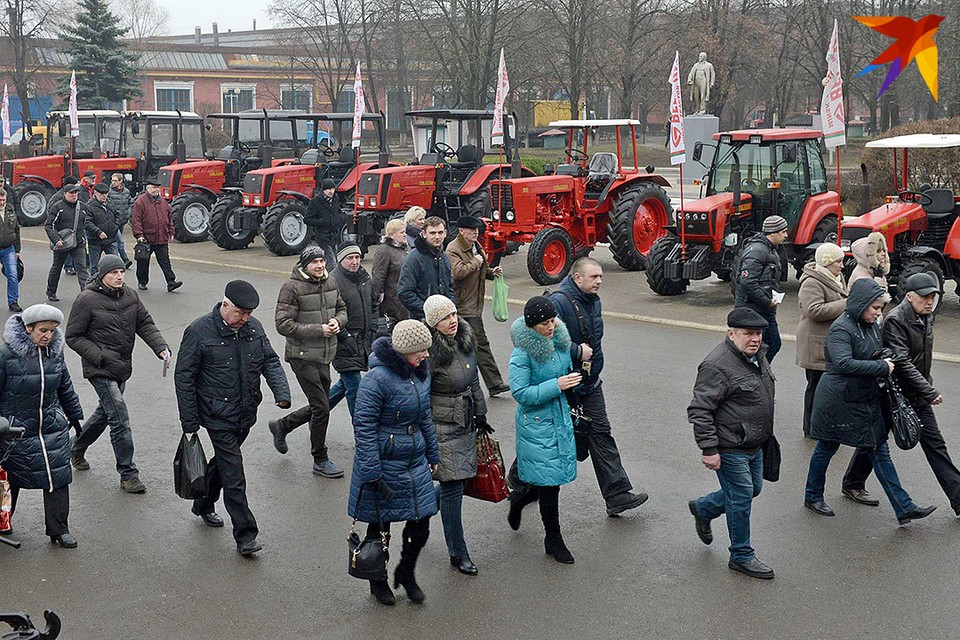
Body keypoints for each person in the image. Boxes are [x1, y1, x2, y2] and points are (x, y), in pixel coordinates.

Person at [512, 257, 647, 516]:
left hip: (589, 383)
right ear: (577, 277)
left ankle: (617, 494)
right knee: (549, 439)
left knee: (600, 431)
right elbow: (542, 339)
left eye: (600, 277)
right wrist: (576, 352)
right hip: (567, 384)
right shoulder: (558, 302)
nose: (599, 281)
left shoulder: (592, 301)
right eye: (594, 276)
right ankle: (519, 479)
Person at [803, 278, 936, 525]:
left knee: (878, 448)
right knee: (826, 448)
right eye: (875, 307)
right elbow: (842, 363)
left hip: (863, 398)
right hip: (837, 400)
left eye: (881, 308)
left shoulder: (872, 325)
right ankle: (812, 496)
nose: (879, 312)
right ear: (860, 304)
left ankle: (903, 507)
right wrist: (881, 365)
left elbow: (876, 350)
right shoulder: (842, 327)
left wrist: (885, 356)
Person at [175, 281, 291, 556]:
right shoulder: (199, 331)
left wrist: (281, 392)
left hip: (245, 412)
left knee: (223, 463)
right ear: (224, 305)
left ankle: (202, 504)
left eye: (249, 313)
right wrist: (189, 422)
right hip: (216, 414)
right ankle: (246, 535)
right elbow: (184, 377)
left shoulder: (254, 329)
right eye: (240, 312)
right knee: (234, 473)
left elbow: (270, 361)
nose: (245, 318)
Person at [841, 272, 960, 514]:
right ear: (909, 297)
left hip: (916, 392)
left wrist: (924, 386)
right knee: (874, 440)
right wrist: (928, 390)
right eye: (925, 297)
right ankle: (852, 483)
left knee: (935, 445)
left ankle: (958, 499)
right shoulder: (896, 319)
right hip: (895, 395)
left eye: (933, 297)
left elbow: (921, 358)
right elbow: (902, 361)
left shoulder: (925, 317)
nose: (930, 302)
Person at [348, 320, 439, 606]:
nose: (426, 355)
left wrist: (433, 454)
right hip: (384, 463)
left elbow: (425, 416)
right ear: (404, 351)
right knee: (380, 529)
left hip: (413, 460)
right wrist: (372, 473)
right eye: (421, 350)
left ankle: (406, 572)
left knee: (421, 522)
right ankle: (378, 581)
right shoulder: (376, 380)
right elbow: (363, 427)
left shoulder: (421, 374)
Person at [66, 255, 169, 494]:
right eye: (114, 273)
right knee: (119, 416)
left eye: (122, 272)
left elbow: (145, 323)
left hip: (121, 367)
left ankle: (75, 447)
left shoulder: (130, 295)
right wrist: (100, 356)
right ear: (102, 275)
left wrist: (161, 347)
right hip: (99, 368)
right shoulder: (86, 299)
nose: (119, 276)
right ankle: (128, 473)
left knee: (105, 413)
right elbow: (73, 336)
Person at [687, 308, 776, 580]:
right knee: (740, 498)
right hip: (731, 445)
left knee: (753, 489)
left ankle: (704, 508)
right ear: (731, 333)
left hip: (755, 443)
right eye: (748, 333)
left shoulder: (758, 356)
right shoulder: (717, 365)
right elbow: (700, 410)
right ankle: (741, 555)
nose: (755, 339)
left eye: (758, 333)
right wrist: (709, 450)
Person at [0, 304, 84, 548]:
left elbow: (65, 386)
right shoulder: (5, 355)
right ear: (28, 329)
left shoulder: (55, 353)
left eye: (52, 330)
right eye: (43, 330)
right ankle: (3, 520)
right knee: (9, 479)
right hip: (14, 430)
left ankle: (59, 530)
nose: (48, 335)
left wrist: (75, 416)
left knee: (57, 477)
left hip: (50, 426)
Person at [507, 296, 578, 564]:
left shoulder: (559, 342)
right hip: (536, 424)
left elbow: (565, 371)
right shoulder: (522, 353)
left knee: (547, 480)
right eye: (545, 323)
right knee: (550, 484)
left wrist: (575, 379)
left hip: (558, 418)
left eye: (552, 321)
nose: (551, 326)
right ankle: (554, 538)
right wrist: (557, 385)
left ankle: (519, 499)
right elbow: (520, 392)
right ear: (532, 325)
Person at [423, 295, 488, 576]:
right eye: (444, 318)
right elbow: (421, 399)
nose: (452, 321)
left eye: (453, 315)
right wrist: (425, 440)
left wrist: (481, 413)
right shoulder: (429, 354)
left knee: (458, 483)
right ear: (433, 324)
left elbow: (473, 377)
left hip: (465, 422)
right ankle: (458, 552)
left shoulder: (464, 338)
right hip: (442, 427)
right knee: (453, 487)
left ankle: (423, 508)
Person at [270, 246, 347, 477]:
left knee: (320, 405)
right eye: (315, 262)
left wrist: (337, 322)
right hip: (301, 356)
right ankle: (320, 459)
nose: (320, 266)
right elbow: (283, 324)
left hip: (324, 355)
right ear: (305, 265)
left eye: (322, 261)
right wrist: (318, 330)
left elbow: (342, 309)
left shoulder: (331, 282)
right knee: (322, 407)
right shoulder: (291, 288)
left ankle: (283, 426)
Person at [446, 215, 510, 396]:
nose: (476, 233)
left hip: (473, 304)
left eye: (477, 230)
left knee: (474, 345)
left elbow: (479, 269)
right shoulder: (454, 249)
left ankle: (493, 384)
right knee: (476, 344)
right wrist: (476, 262)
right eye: (472, 230)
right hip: (463, 307)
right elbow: (457, 272)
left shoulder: (475, 245)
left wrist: (490, 272)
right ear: (461, 231)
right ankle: (491, 383)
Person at [796, 243, 848, 438]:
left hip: (830, 342)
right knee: (816, 387)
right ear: (826, 263)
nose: (842, 266)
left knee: (831, 387)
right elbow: (814, 310)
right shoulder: (811, 282)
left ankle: (828, 424)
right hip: (816, 343)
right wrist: (846, 304)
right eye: (838, 262)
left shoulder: (836, 277)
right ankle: (810, 428)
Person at [734, 215, 788, 363]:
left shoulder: (769, 249)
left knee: (773, 344)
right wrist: (766, 301)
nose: (786, 235)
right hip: (754, 310)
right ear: (773, 233)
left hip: (764, 310)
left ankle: (760, 372)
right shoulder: (758, 251)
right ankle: (753, 373)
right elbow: (747, 281)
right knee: (755, 348)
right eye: (783, 232)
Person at [329, 241, 373, 418]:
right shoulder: (333, 281)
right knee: (355, 389)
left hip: (363, 341)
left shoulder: (364, 277)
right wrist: (344, 336)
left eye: (357, 257)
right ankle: (362, 431)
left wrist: (374, 326)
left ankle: (307, 417)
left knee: (344, 385)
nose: (355, 261)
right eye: (350, 258)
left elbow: (374, 303)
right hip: (344, 344)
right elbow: (329, 314)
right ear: (341, 260)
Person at [397, 216, 453, 320]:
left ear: (445, 233)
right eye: (432, 233)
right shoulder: (413, 259)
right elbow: (404, 292)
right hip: (421, 320)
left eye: (440, 233)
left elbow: (449, 287)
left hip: (443, 319)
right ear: (424, 234)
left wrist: (449, 309)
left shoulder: (444, 257)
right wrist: (427, 310)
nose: (437, 237)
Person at [131, 178, 182, 292]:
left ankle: (171, 282)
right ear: (147, 188)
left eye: (157, 188)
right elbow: (136, 219)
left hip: (161, 237)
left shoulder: (162, 202)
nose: (156, 190)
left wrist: (171, 232)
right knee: (143, 261)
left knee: (165, 261)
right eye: (154, 187)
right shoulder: (140, 201)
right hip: (146, 238)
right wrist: (139, 235)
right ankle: (142, 282)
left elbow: (169, 218)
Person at [44, 184, 89, 302]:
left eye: (76, 193)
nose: (74, 195)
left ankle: (86, 294)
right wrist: (56, 240)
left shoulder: (83, 207)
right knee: (56, 268)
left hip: (78, 243)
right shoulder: (57, 207)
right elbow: (49, 225)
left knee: (82, 269)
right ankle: (51, 291)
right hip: (62, 243)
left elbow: (87, 223)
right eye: (71, 193)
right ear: (65, 194)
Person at [371, 218, 409, 324]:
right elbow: (378, 275)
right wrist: (378, 297)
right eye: (401, 232)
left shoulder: (404, 249)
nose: (405, 235)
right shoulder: (384, 250)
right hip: (391, 301)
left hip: (404, 299)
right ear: (391, 235)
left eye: (405, 232)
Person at [84, 183, 121, 279]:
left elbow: (118, 215)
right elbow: (87, 222)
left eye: (106, 194)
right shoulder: (89, 206)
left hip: (111, 239)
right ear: (95, 193)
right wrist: (98, 232)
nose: (104, 196)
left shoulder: (110, 203)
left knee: (115, 264)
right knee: (94, 267)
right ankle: (93, 285)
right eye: (102, 194)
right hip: (95, 241)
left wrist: (115, 227)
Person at [303, 178, 341, 263]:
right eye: (328, 189)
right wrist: (321, 222)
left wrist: (338, 220)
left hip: (334, 236)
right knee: (332, 262)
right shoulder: (315, 201)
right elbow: (307, 219)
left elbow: (337, 211)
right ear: (323, 190)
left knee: (337, 261)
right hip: (323, 236)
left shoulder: (336, 199)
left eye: (333, 189)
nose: (331, 191)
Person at [0, 189, 21, 312]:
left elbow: (17, 231)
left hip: (9, 248)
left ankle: (13, 301)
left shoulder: (10, 211)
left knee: (13, 275)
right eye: (0, 200)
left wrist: (17, 250)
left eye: (3, 200)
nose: (2, 202)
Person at [106, 173, 133, 268]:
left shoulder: (126, 191)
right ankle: (125, 260)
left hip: (122, 221)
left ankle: (115, 260)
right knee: (120, 241)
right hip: (113, 222)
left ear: (121, 181)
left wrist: (128, 213)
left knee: (115, 242)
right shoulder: (109, 192)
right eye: (112, 180)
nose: (113, 182)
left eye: (115, 180)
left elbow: (130, 203)